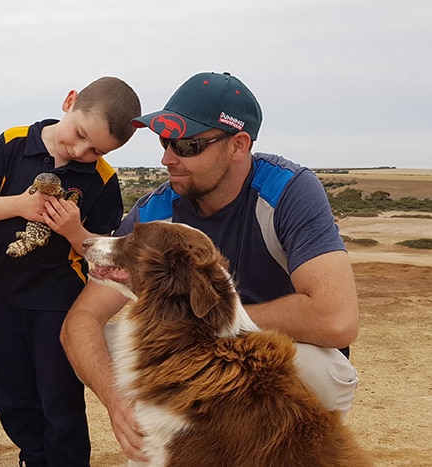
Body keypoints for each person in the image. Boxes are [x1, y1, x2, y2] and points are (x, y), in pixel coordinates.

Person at [60, 71, 361, 462]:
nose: (167, 158)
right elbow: (81, 321)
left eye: (187, 145)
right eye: (165, 141)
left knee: (318, 372)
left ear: (238, 145)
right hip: (196, 362)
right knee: (127, 352)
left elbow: (336, 320)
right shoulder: (155, 213)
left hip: (275, 365)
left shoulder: (287, 190)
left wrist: (207, 325)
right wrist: (117, 401)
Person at [0, 76, 141, 466]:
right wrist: (19, 207)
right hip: (5, 294)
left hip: (59, 303)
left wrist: (75, 231)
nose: (80, 150)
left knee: (58, 400)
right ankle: (34, 457)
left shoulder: (104, 180)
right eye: (79, 134)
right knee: (10, 391)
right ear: (69, 100)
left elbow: (104, 251)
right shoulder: (14, 142)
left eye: (95, 150)